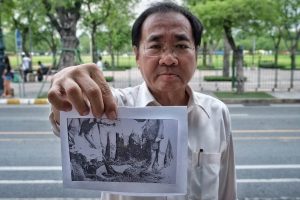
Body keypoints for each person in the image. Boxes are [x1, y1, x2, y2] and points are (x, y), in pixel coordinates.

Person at [48, 2, 236, 199]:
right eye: (155, 46)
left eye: (181, 46)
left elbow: (226, 191)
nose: (169, 59)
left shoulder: (217, 112)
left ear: (196, 52)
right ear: (137, 55)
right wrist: (65, 89)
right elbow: (67, 118)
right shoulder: (116, 106)